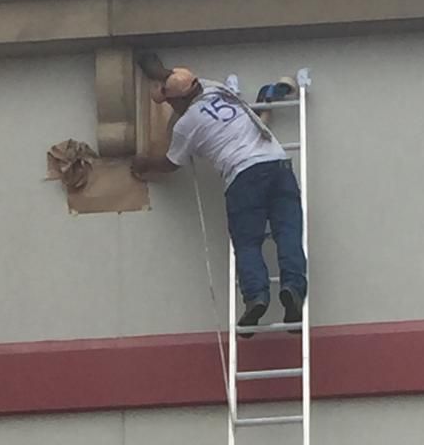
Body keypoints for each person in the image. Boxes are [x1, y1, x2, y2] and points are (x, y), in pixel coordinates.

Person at [131, 69, 308, 337]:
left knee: (248, 243)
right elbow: (174, 76)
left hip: (243, 176)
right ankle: (293, 288)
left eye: (170, 101)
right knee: (288, 233)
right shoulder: (216, 89)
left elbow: (170, 163)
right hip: (278, 165)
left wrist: (143, 164)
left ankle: (256, 298)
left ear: (179, 100)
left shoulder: (186, 125)